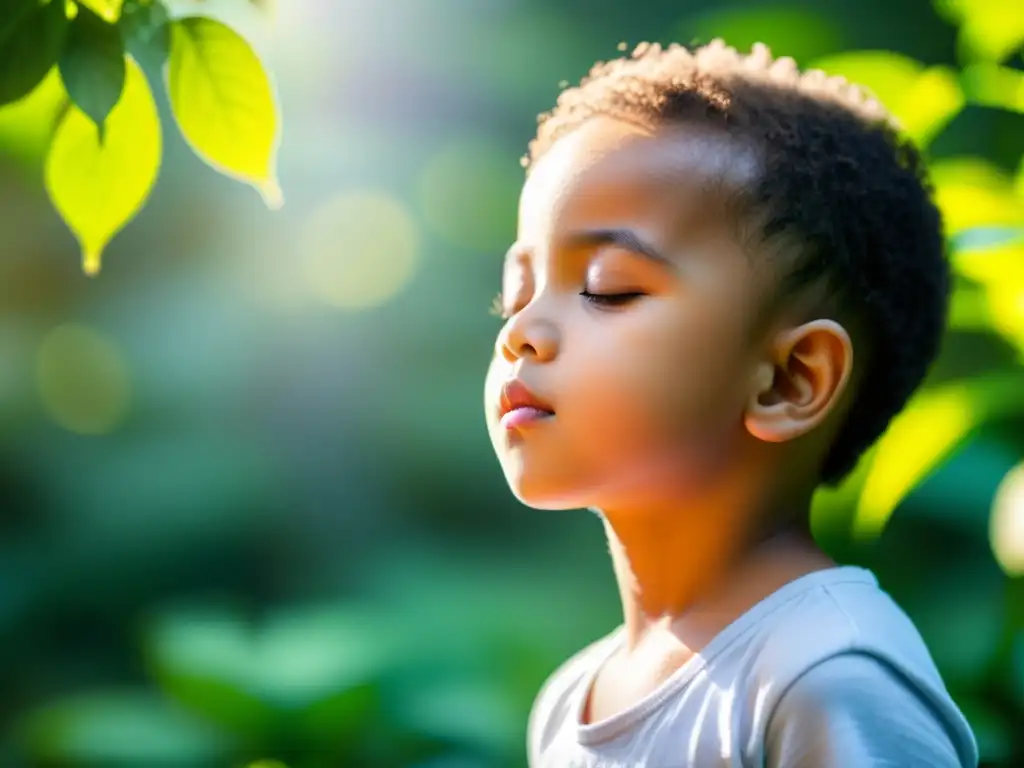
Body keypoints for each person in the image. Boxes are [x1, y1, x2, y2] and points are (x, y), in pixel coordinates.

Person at [482, 39, 979, 767]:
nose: (520, 335)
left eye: (607, 287)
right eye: (517, 294)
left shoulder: (826, 677)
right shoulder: (570, 699)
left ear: (790, 380)